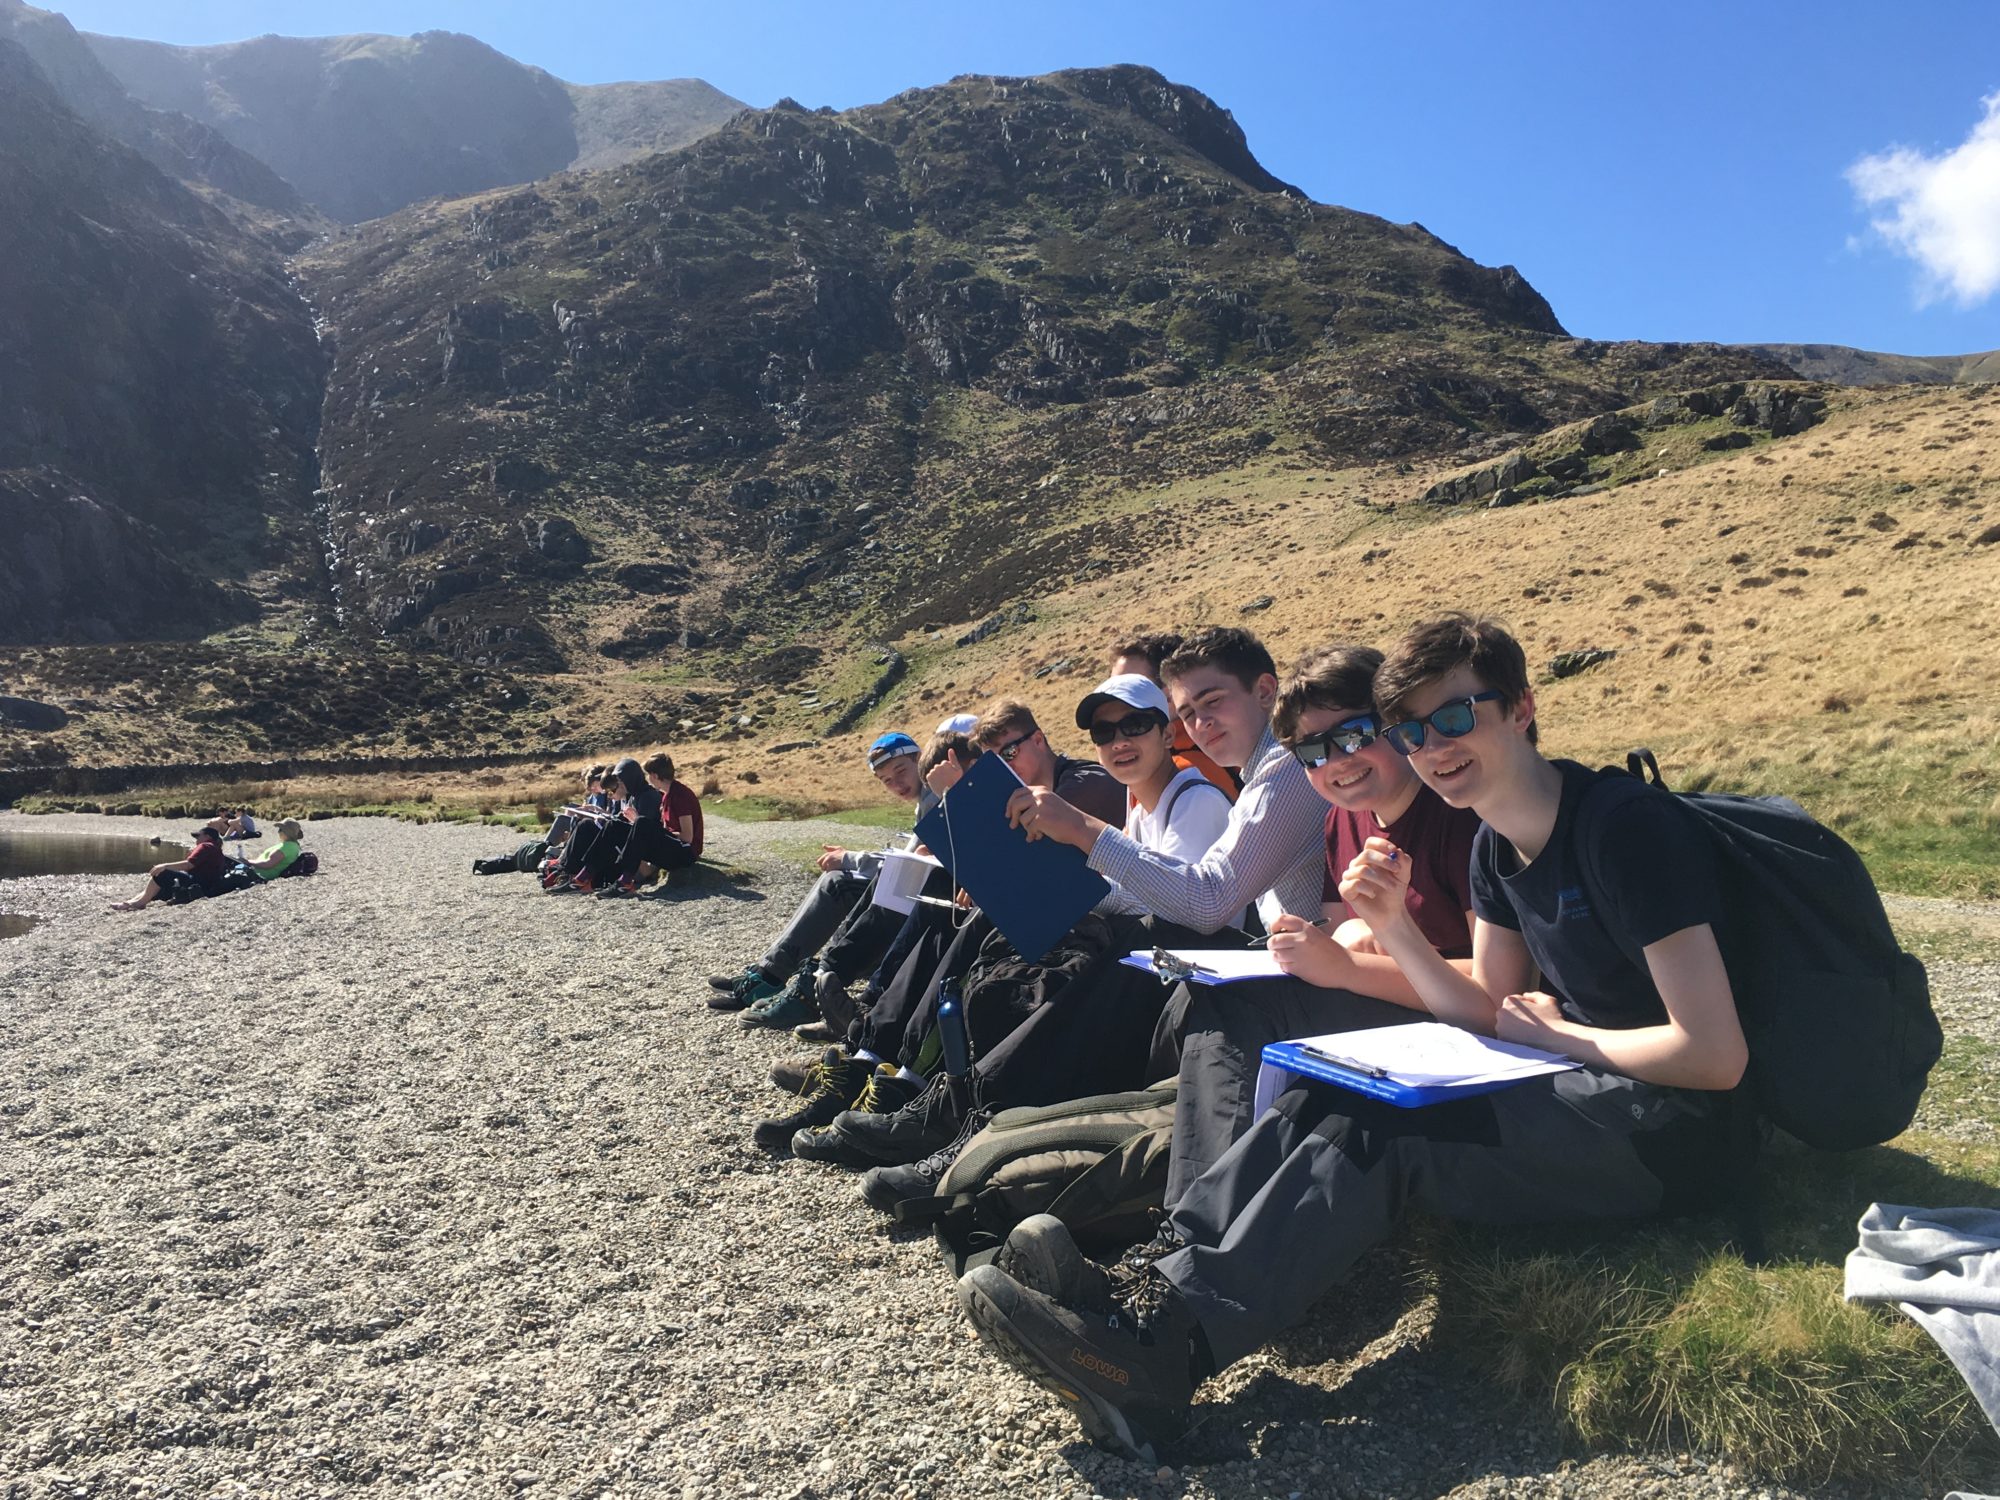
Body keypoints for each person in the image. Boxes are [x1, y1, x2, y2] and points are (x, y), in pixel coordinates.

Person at [956, 612, 1750, 1464]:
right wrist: (1395, 935)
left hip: (1672, 1134)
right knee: (1334, 1087)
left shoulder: (1620, 829)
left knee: (1385, 1132)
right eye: (1412, 729)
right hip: (1573, 1085)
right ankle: (1152, 1293)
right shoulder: (1496, 843)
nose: (1432, 747)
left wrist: (1569, 1040)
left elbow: (1714, 1058)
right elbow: (1487, 1003)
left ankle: (1165, 1355)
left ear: (1521, 707)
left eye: (1453, 718)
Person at [1154, 642, 1483, 1200]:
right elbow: (1342, 939)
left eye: (1354, 736)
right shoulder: (1343, 823)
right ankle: (1192, 1186)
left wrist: (1348, 962)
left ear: (1396, 726)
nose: (1338, 762)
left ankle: (1191, 1217)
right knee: (1205, 995)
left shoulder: (1459, 818)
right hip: (1397, 1016)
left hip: (1459, 1035)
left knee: (1241, 1003)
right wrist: (1322, 950)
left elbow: (1491, 987)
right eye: (1311, 753)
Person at [1000, 627, 1325, 936]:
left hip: (1316, 980)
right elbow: (1161, 898)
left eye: (1213, 701)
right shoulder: (1255, 775)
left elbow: (1205, 904)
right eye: (1187, 712)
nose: (1201, 723)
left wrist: (1081, 829)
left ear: (1265, 691)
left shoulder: (1282, 769)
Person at [707, 731, 926, 1007]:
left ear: (920, 758)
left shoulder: (933, 799)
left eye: (901, 770)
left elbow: (907, 868)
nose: (897, 784)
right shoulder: (926, 800)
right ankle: (773, 972)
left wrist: (849, 858)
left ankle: (787, 981)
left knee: (837, 884)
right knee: (837, 879)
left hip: (920, 907)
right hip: (914, 900)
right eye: (887, 780)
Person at [599, 751, 704, 898]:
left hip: (686, 853)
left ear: (654, 776)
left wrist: (654, 831)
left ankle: (625, 882)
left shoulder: (680, 796)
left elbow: (687, 837)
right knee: (615, 825)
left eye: (649, 775)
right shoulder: (667, 795)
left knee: (641, 823)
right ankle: (593, 875)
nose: (648, 779)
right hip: (675, 846)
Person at [110, 826, 231, 911]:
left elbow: (189, 865)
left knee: (161, 874)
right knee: (158, 887)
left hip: (198, 883)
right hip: (206, 885)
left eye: (198, 836)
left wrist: (164, 866)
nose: (196, 839)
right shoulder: (215, 848)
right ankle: (132, 901)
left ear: (207, 836)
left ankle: (139, 903)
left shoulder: (206, 846)